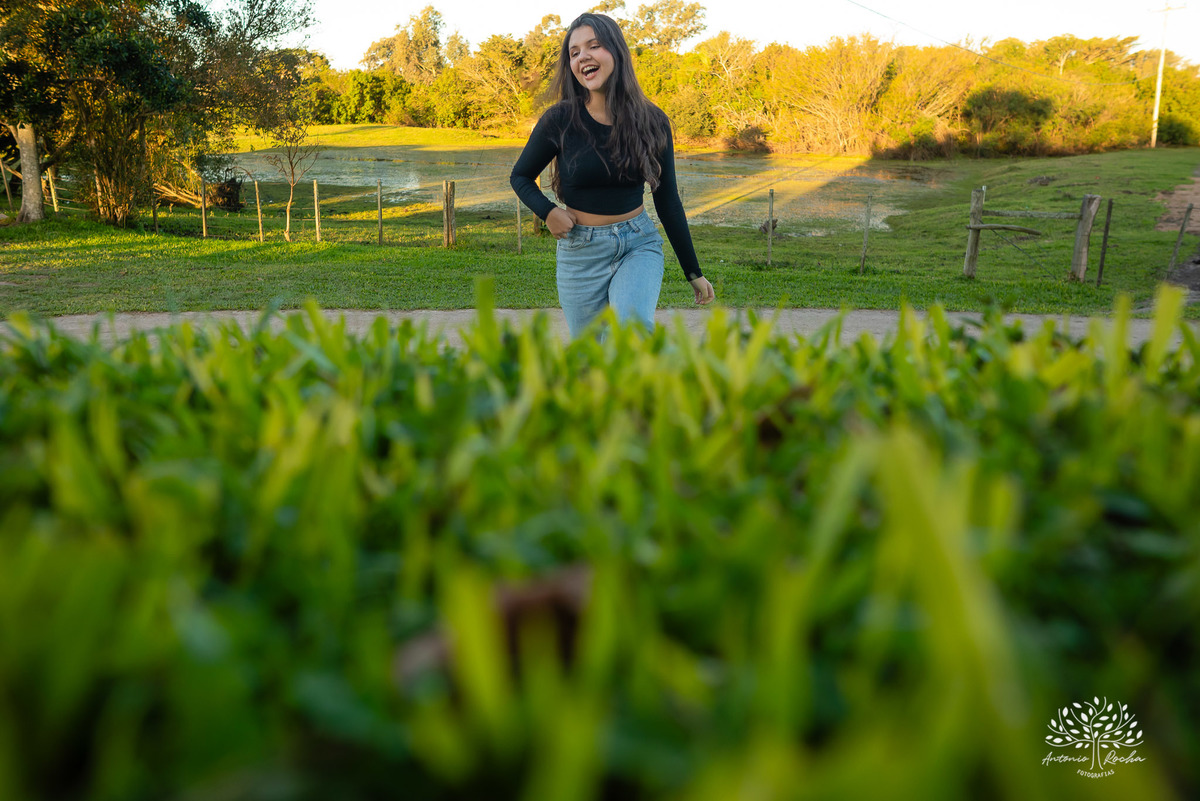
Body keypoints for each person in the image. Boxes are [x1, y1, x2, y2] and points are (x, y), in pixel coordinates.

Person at [510, 12, 715, 338]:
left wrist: (693, 271)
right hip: (580, 252)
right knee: (591, 357)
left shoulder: (653, 121)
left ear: (616, 52)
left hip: (637, 244)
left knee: (630, 336)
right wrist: (548, 212)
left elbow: (667, 199)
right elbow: (520, 176)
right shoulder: (560, 119)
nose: (583, 57)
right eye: (574, 52)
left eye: (594, 46)